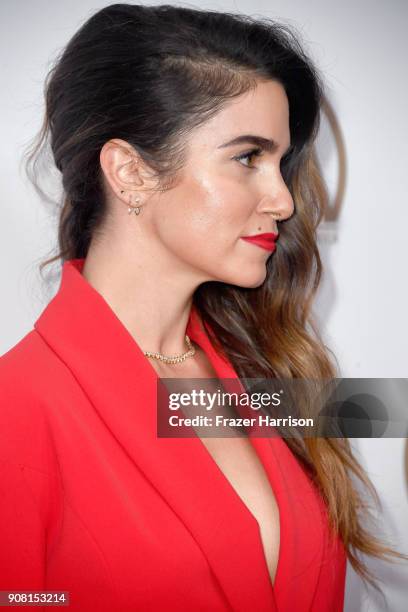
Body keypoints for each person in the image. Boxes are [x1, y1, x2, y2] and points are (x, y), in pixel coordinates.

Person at [0, 4, 404, 611]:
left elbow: (379, 414)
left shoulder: (256, 364)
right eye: (248, 158)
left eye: (281, 163)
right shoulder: (20, 408)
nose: (284, 201)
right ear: (130, 172)